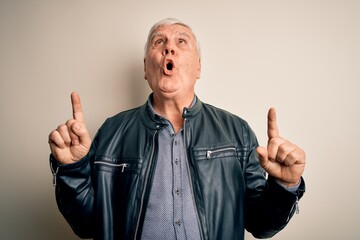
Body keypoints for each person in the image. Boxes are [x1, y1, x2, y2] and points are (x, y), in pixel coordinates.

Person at [48, 18, 306, 240]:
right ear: (146, 68)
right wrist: (73, 169)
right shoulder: (111, 132)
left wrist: (285, 185)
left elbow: (261, 225)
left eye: (181, 42)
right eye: (159, 42)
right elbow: (86, 225)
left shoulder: (237, 132)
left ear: (198, 68)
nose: (169, 47)